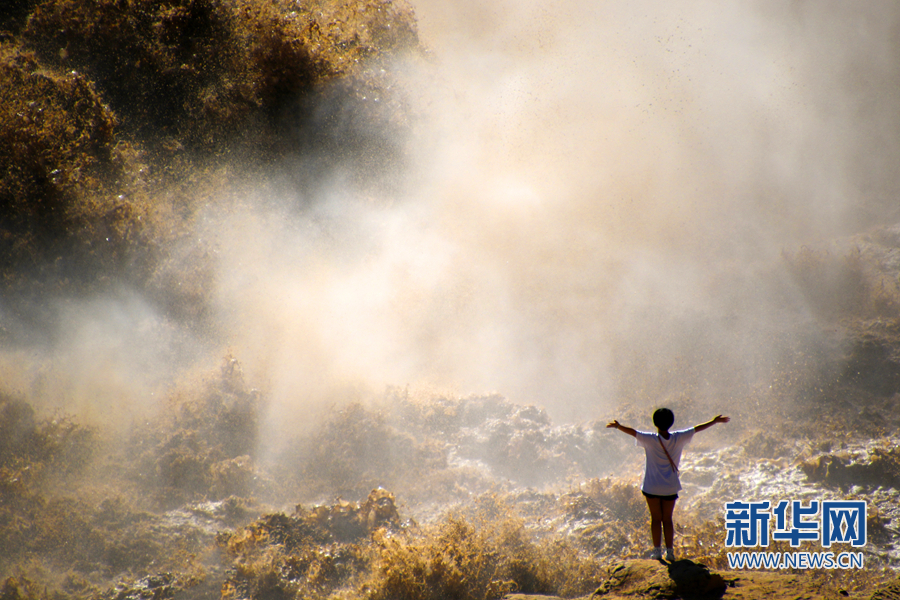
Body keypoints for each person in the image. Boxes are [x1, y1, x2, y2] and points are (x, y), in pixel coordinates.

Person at [607, 409, 729, 562]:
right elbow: (696, 429)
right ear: (671, 422)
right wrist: (714, 421)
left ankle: (657, 551)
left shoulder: (649, 439)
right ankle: (670, 552)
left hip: (651, 486)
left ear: (655, 423)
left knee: (656, 519)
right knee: (667, 519)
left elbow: (633, 432)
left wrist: (618, 426)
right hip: (670, 487)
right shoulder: (679, 438)